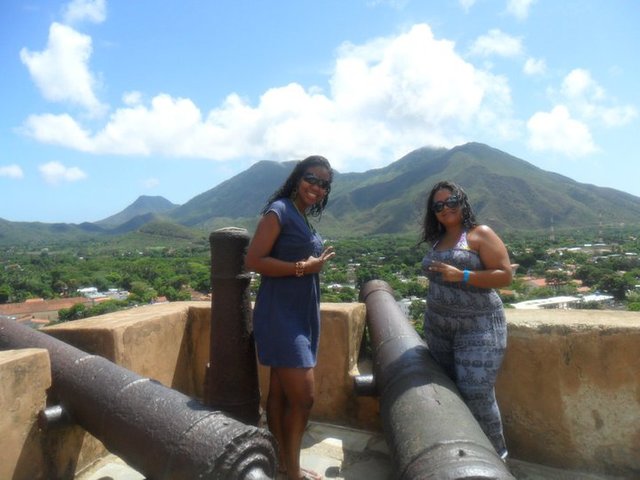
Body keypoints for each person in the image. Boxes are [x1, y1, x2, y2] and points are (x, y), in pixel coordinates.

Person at [245, 155, 335, 480]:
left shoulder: (302, 216)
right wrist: (304, 268)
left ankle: (283, 465)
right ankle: (293, 473)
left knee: (280, 394)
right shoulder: (280, 210)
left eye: (324, 184)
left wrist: (311, 266)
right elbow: (254, 259)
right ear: (298, 178)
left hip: (300, 314)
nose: (317, 187)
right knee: (304, 398)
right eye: (312, 178)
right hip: (280, 315)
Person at [420, 180, 512, 460]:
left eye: (451, 201)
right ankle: (460, 456)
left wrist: (464, 275)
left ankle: (497, 460)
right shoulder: (437, 240)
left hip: (479, 327)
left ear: (462, 201)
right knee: (448, 395)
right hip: (439, 328)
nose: (445, 208)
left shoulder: (478, 234)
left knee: (477, 396)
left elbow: (506, 275)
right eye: (438, 205)